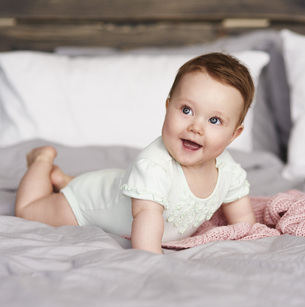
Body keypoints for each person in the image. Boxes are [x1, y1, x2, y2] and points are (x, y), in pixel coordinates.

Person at [15, 52, 257, 254]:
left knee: (112, 186)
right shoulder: (153, 166)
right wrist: (153, 263)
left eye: (214, 120)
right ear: (167, 107)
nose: (196, 127)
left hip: (118, 185)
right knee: (28, 210)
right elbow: (146, 237)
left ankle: (64, 179)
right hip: (89, 201)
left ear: (233, 135)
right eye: (186, 110)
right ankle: (42, 161)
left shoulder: (228, 170)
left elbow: (244, 222)